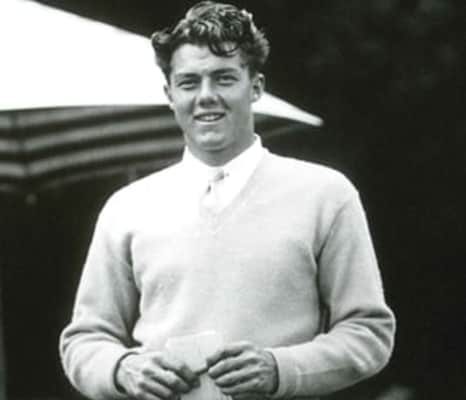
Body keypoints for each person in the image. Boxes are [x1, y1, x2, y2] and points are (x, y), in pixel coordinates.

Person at [59, 2, 396, 400]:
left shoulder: (325, 195)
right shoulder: (126, 208)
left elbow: (368, 332)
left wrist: (280, 368)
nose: (206, 96)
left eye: (224, 79)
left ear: (256, 87)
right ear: (170, 94)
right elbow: (85, 340)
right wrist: (124, 369)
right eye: (189, 83)